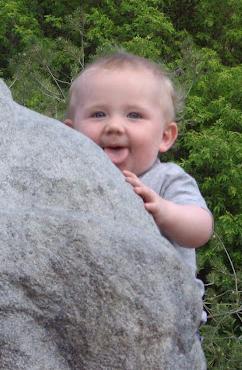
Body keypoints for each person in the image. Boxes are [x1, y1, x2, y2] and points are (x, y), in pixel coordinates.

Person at [64, 51, 214, 325]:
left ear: (165, 136)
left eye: (134, 115)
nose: (114, 126)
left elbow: (201, 229)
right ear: (70, 133)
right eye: (98, 114)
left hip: (165, 322)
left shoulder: (166, 179)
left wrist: (163, 210)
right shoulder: (69, 180)